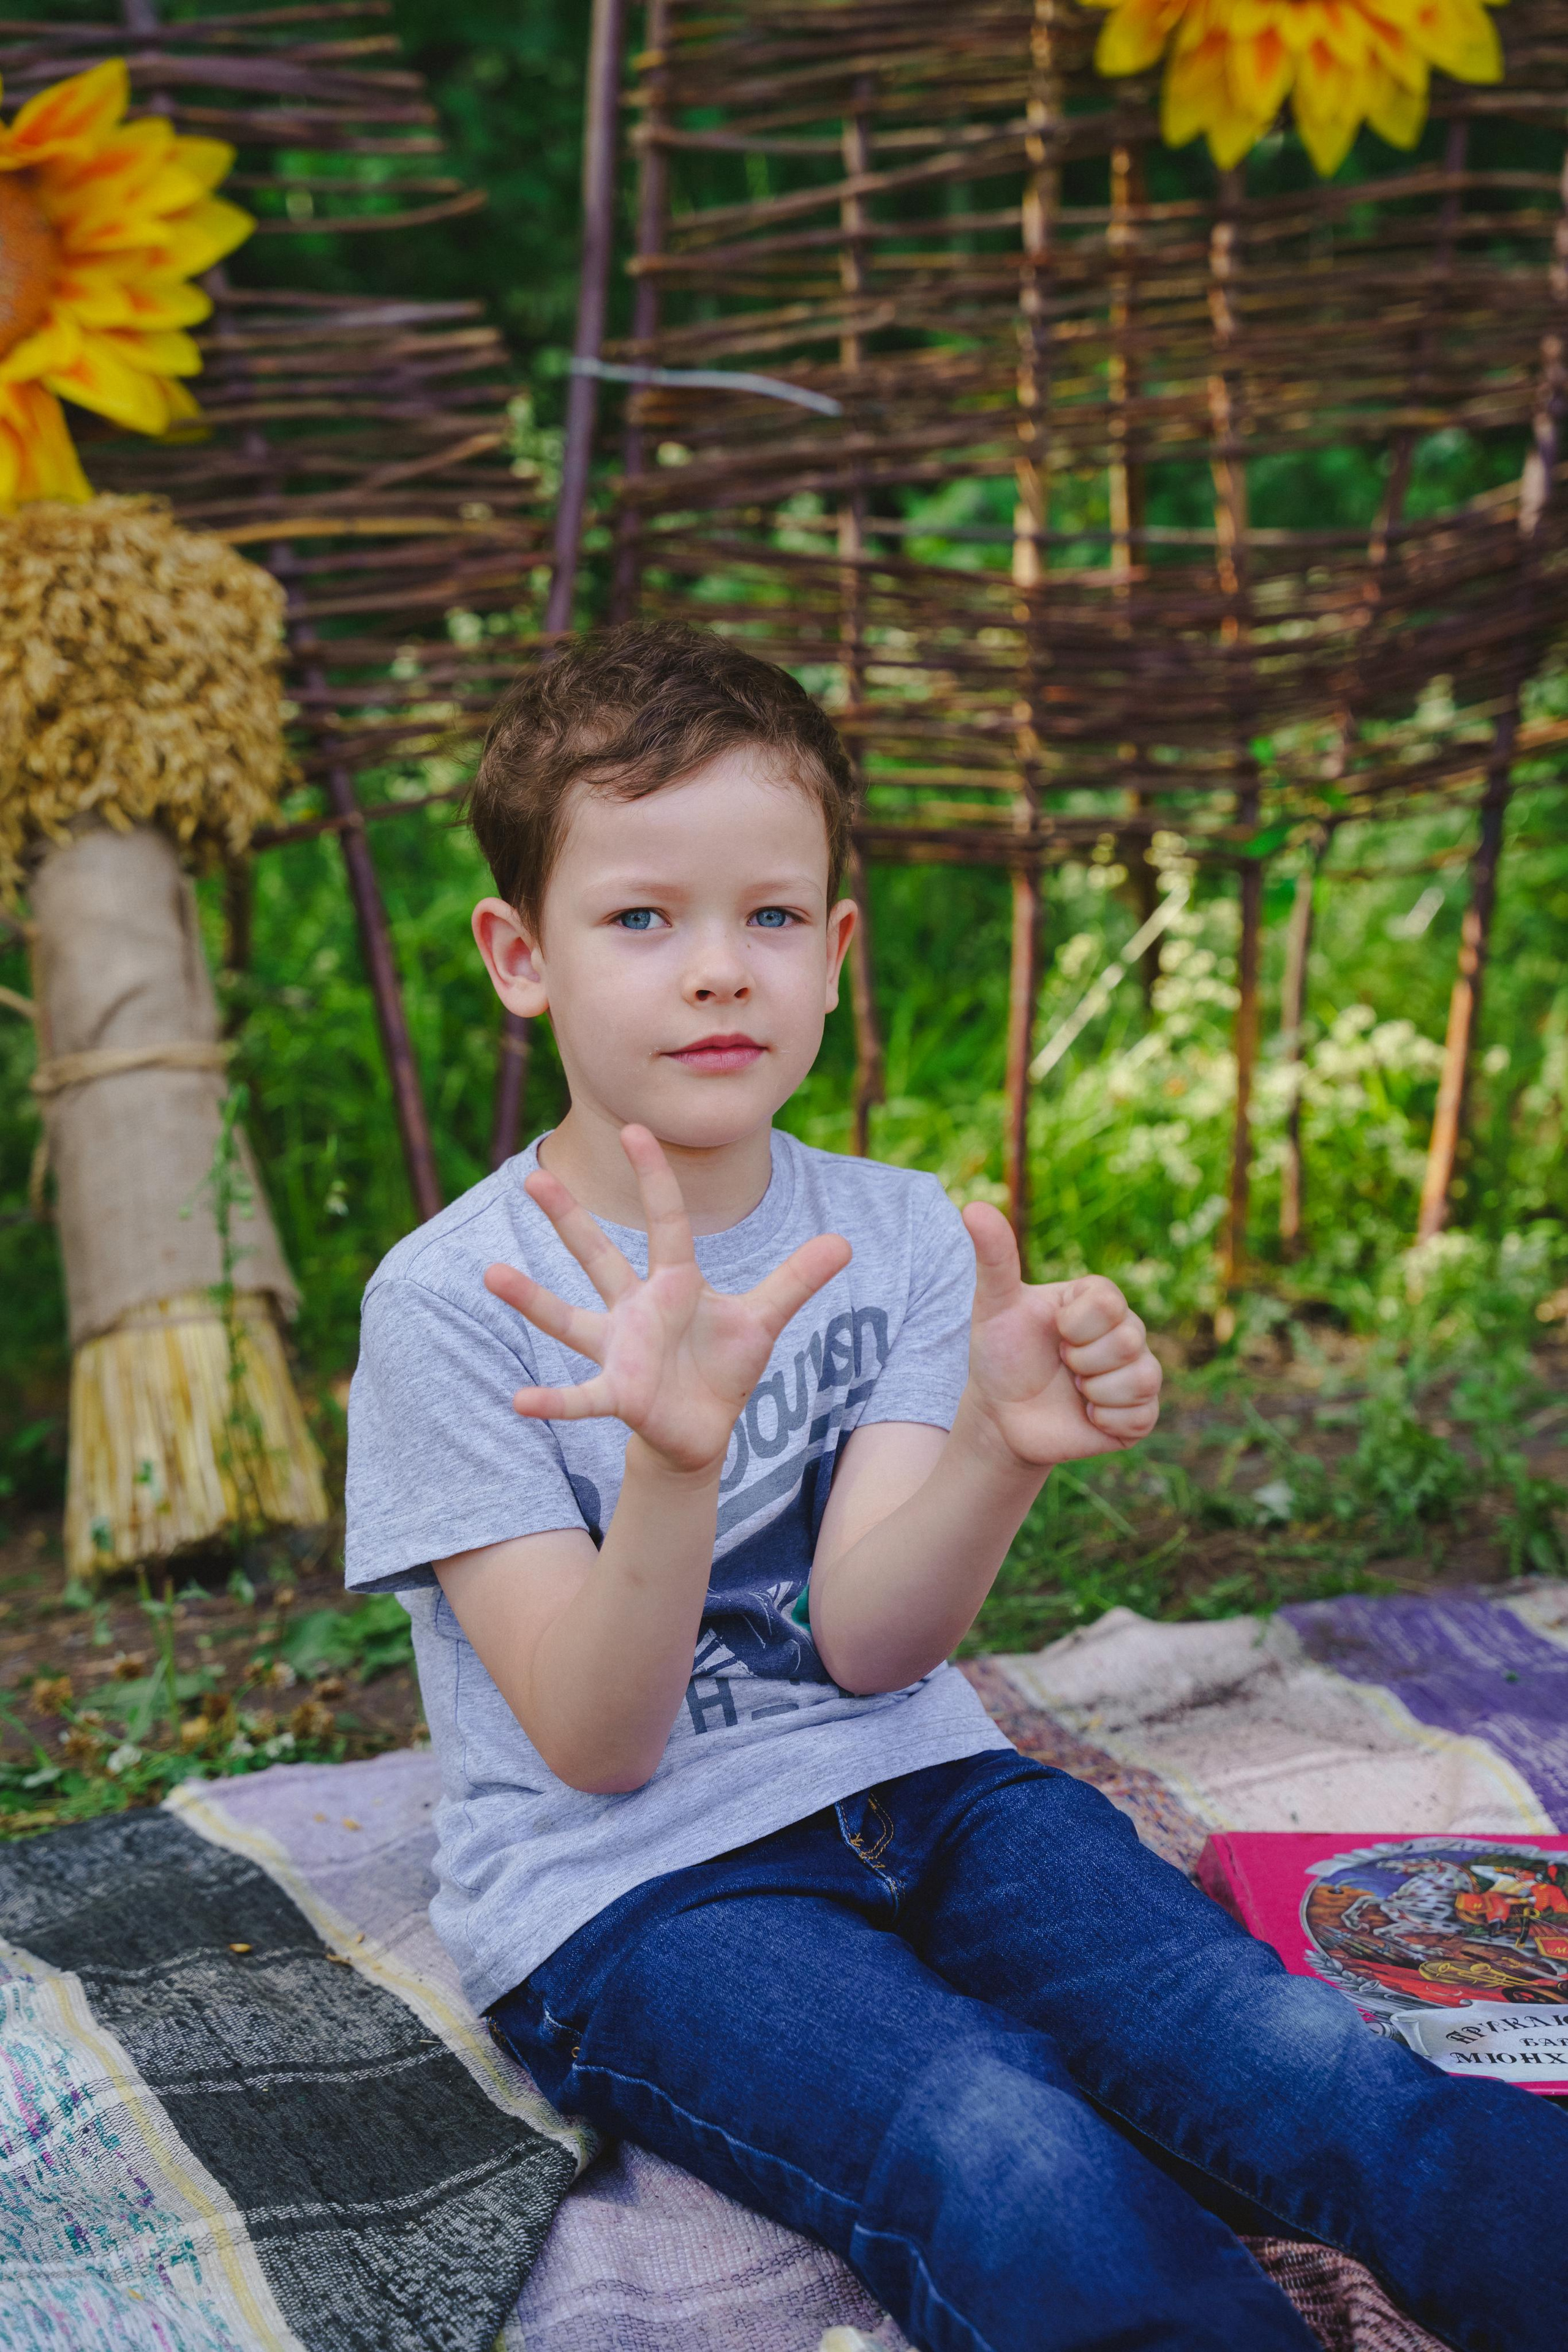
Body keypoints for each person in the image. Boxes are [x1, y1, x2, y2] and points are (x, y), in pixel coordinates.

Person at [346, 624, 1564, 2352]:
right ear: (518, 955)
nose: (718, 971)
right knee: (1005, 2141)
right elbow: (598, 1745)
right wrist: (678, 1466)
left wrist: (997, 1447)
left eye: (770, 916)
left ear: (837, 950)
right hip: (641, 1895)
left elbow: (868, 1645)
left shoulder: (904, 1232)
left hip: (932, 1789)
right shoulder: (451, 1302)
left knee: (1301, 2064)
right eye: (642, 917)